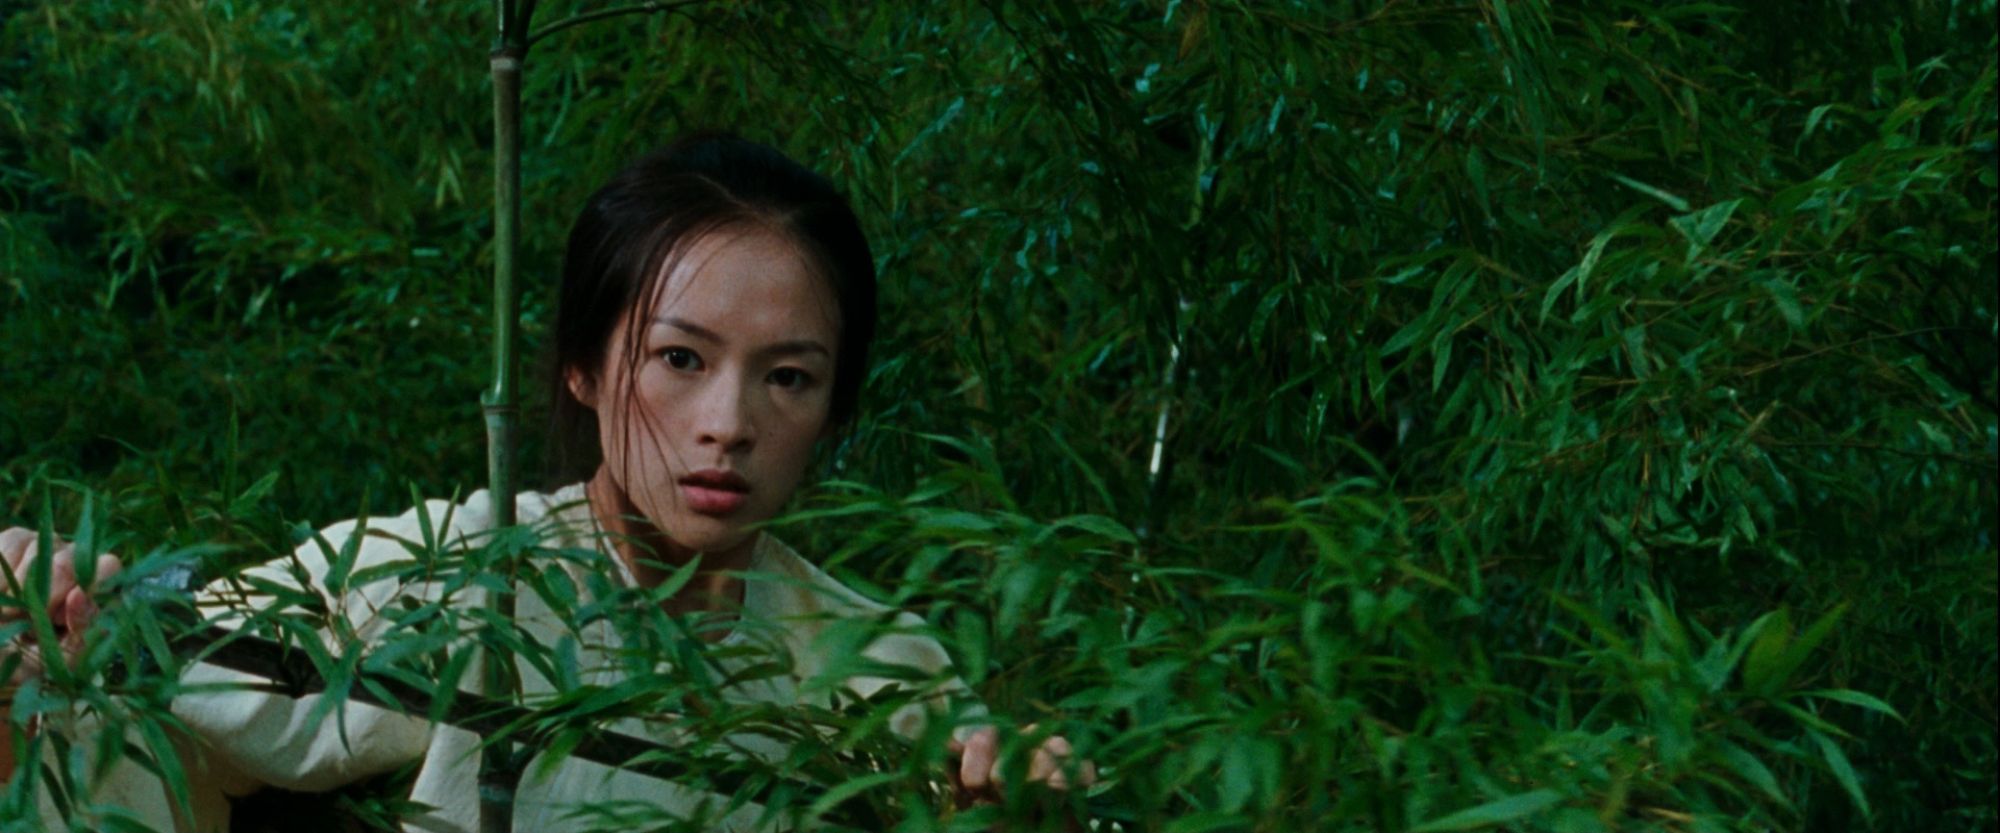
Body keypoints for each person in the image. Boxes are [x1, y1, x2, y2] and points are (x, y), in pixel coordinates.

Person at [0, 134, 1091, 832]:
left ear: (836, 407)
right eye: (679, 357)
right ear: (582, 364)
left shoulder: (880, 661)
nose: (727, 423)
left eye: (789, 377)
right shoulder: (468, 566)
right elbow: (152, 695)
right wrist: (60, 634)